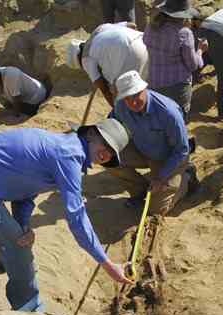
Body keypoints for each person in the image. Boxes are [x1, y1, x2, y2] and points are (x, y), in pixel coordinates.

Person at [0, 119, 132, 312]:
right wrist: (106, 263)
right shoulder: (69, 154)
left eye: (111, 153)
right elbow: (77, 218)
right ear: (90, 133)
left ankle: (5, 261)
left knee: (17, 237)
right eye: (105, 144)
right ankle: (30, 311)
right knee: (18, 246)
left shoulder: (65, 147)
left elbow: (26, 193)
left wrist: (24, 226)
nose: (105, 153)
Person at [109, 70, 199, 215]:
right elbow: (112, 123)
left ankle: (187, 177)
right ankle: (140, 190)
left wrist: (160, 177)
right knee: (109, 158)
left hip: (169, 157)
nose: (133, 102)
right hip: (142, 149)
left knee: (157, 210)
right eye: (127, 98)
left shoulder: (168, 112)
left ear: (144, 88)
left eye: (136, 94)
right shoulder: (121, 106)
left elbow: (181, 150)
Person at [143, 0, 207, 120]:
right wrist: (200, 51)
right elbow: (193, 65)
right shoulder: (184, 33)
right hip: (176, 88)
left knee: (158, 120)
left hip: (153, 83)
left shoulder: (150, 27)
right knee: (177, 120)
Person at [66, 23, 148, 107]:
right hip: (143, 41)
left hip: (128, 56)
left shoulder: (85, 59)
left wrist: (115, 109)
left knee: (125, 94)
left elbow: (104, 89)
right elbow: (132, 25)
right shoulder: (100, 29)